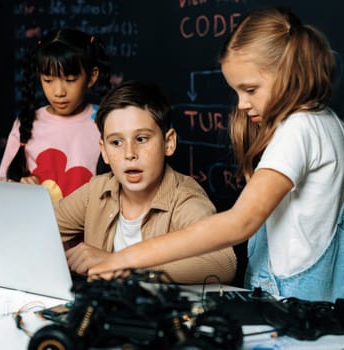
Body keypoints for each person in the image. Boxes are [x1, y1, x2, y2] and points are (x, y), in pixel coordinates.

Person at [89, 7, 344, 302]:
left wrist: (125, 259)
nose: (242, 104)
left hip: (290, 297)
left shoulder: (299, 128)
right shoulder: (328, 121)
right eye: (237, 92)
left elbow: (240, 222)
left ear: (288, 72)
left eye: (250, 89)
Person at [54, 80, 237, 284]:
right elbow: (39, 229)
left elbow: (223, 264)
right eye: (116, 142)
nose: (129, 154)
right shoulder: (97, 190)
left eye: (141, 139)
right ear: (104, 151)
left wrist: (120, 264)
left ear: (168, 143)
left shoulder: (185, 199)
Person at [0, 29, 111, 201]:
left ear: (92, 77)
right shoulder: (27, 122)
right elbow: (5, 185)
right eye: (48, 80)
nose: (59, 92)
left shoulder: (106, 122)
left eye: (70, 80)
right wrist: (22, 187)